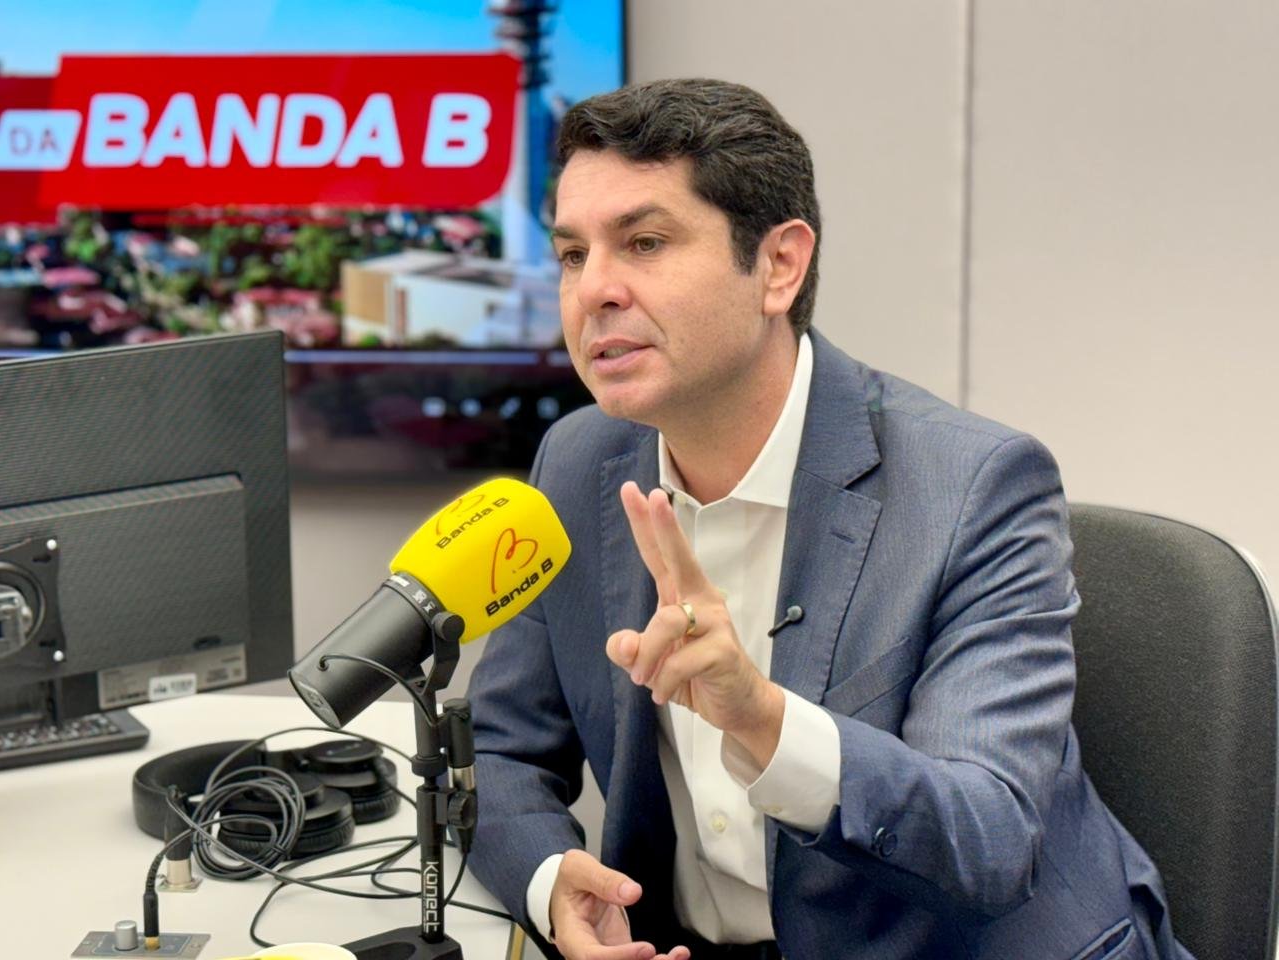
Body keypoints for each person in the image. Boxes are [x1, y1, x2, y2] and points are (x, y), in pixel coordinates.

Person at [465, 78, 1191, 960]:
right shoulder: (577, 464)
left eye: (645, 243)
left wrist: (760, 717)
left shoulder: (976, 486)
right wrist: (551, 881)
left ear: (780, 265)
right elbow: (498, 751)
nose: (595, 291)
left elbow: (989, 837)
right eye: (574, 254)